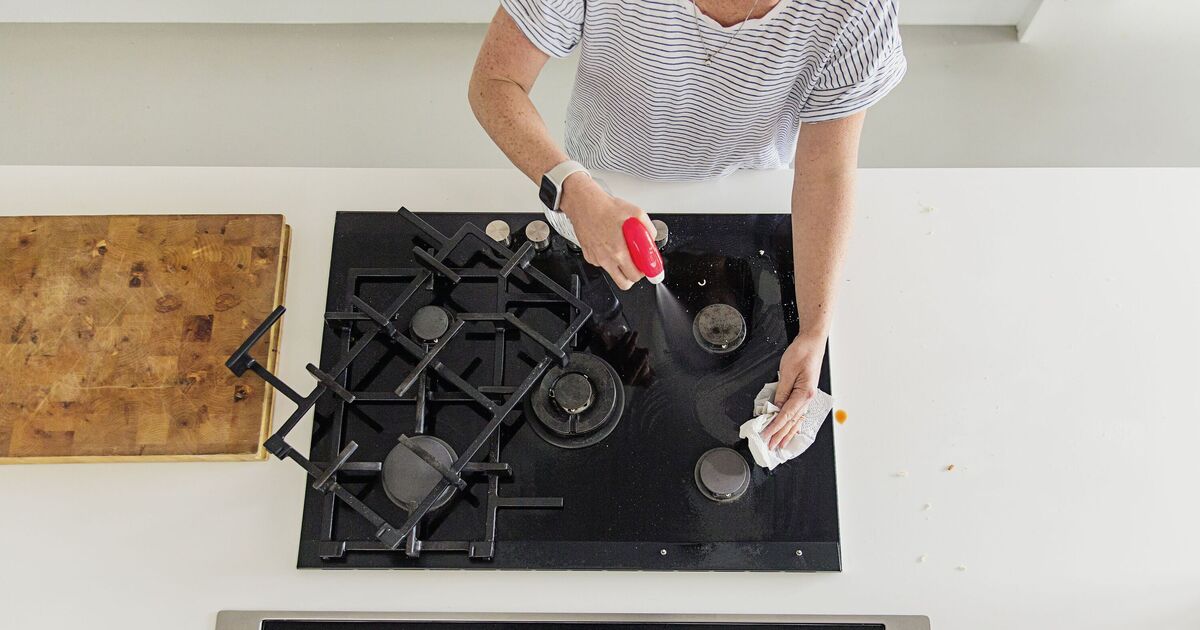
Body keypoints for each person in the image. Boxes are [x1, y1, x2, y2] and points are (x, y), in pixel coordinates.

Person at [469, 0, 905, 451]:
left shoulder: (856, 10)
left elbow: (827, 171)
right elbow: (495, 82)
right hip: (601, 188)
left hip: (746, 196)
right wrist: (573, 190)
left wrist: (814, 332)